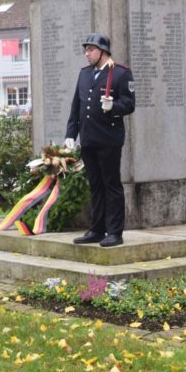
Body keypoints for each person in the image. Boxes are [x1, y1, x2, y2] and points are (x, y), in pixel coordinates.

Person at [65, 33, 135, 247]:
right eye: (85, 50)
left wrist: (114, 106)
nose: (87, 54)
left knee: (111, 185)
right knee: (95, 186)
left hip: (108, 139)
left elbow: (130, 104)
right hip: (88, 139)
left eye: (91, 50)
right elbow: (76, 106)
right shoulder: (85, 73)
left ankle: (114, 232)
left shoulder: (121, 73)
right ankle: (96, 229)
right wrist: (70, 134)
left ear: (102, 51)